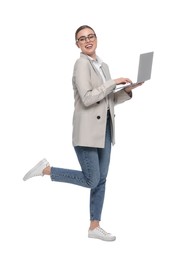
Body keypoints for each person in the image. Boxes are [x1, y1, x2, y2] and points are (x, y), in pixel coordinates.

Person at [23, 25, 143, 242]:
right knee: (91, 179)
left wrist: (126, 91)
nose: (88, 40)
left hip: (105, 129)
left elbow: (107, 100)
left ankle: (94, 226)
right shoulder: (81, 64)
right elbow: (88, 98)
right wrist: (113, 82)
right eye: (82, 38)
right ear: (77, 44)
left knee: (101, 179)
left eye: (91, 36)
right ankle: (46, 169)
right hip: (87, 132)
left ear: (97, 38)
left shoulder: (103, 66)